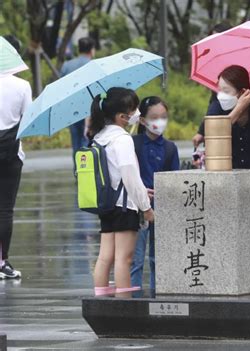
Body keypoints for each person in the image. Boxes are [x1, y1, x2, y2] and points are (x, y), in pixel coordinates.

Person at [88, 87, 154, 297]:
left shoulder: (99, 137)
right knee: (124, 259)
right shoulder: (123, 140)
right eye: (133, 109)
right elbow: (130, 177)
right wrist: (146, 207)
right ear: (121, 116)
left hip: (107, 203)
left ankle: (101, 301)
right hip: (125, 206)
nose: (136, 113)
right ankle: (124, 305)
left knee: (105, 257)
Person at [193, 65, 250, 169]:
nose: (221, 96)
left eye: (226, 91)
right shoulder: (219, 108)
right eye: (219, 90)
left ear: (243, 92)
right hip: (232, 176)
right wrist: (238, 108)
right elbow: (214, 139)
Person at [130, 96, 180, 291]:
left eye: (163, 116)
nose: (159, 121)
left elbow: (174, 179)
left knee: (158, 258)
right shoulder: (133, 144)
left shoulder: (170, 148)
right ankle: (133, 299)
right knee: (136, 259)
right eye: (154, 117)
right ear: (142, 120)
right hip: (138, 208)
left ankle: (157, 295)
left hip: (162, 209)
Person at [0, 35, 32, 279]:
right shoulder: (22, 86)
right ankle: (3, 262)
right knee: (5, 210)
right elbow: (28, 121)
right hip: (12, 153)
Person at [60, 37, 96, 170]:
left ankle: (78, 171)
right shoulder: (94, 65)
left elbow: (61, 87)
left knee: (76, 142)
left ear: (78, 49)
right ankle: (87, 169)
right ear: (92, 50)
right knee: (88, 139)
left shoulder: (67, 66)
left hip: (72, 109)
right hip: (90, 108)